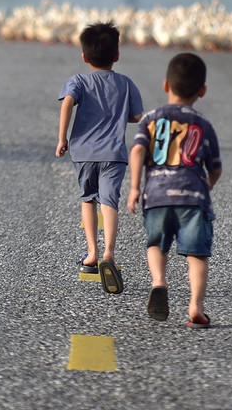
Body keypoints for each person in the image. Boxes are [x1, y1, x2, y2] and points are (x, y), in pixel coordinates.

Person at [128, 52, 222, 327]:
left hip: (157, 196)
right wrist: (208, 184)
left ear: (166, 85)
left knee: (157, 244)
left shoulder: (151, 118)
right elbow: (215, 167)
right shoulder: (204, 125)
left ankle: (159, 281)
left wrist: (134, 187)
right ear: (202, 91)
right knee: (197, 254)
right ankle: (196, 306)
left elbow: (137, 151)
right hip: (193, 199)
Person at [56, 22, 144, 294]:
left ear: (84, 56)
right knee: (109, 201)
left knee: (88, 199)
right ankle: (109, 253)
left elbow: (68, 102)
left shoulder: (78, 81)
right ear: (116, 55)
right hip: (114, 154)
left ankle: (92, 253)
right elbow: (136, 116)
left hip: (83, 153)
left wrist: (62, 138)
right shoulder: (126, 84)